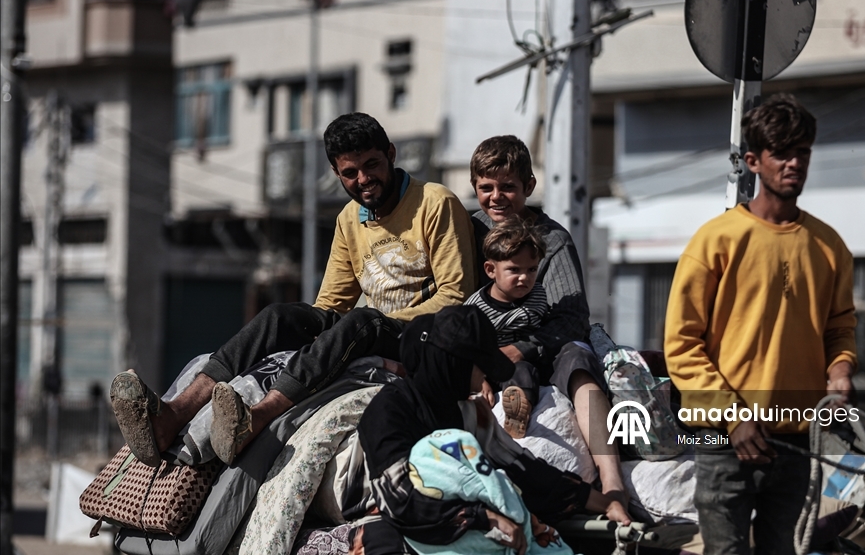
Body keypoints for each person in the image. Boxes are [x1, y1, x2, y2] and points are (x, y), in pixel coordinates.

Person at [110, 112, 476, 466]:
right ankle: (176, 412)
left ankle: (256, 418)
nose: (364, 179)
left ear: (391, 155)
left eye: (372, 165)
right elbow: (330, 304)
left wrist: (371, 326)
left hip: (424, 336)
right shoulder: (350, 219)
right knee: (279, 316)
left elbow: (455, 297)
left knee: (363, 320)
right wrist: (313, 337)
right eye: (350, 173)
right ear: (336, 174)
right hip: (370, 329)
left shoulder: (435, 202)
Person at [663, 94, 857, 555]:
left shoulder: (829, 245)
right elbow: (682, 345)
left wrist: (840, 368)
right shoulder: (716, 240)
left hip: (796, 440)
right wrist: (733, 416)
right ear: (753, 161)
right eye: (781, 154)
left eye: (802, 153)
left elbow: (840, 327)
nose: (793, 163)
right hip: (726, 442)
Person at [353, 305, 618, 555]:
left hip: (474, 535)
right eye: (478, 366)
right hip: (398, 541)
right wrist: (486, 520)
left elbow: (524, 469)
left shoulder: (469, 411)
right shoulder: (388, 412)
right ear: (453, 364)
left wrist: (606, 502)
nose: (483, 379)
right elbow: (402, 502)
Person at [469, 135, 631, 525]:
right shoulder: (467, 232)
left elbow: (570, 316)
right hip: (485, 349)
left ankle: (612, 486)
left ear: (529, 186)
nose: (497, 197)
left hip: (543, 350)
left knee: (579, 356)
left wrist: (520, 349)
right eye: (486, 188)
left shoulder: (552, 240)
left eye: (508, 187)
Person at [464, 217, 549, 437]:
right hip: (488, 369)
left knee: (523, 372)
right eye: (514, 270)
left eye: (531, 269)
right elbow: (466, 347)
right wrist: (479, 379)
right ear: (491, 270)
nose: (525, 278)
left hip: (528, 363)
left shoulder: (538, 294)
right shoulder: (476, 308)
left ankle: (519, 412)